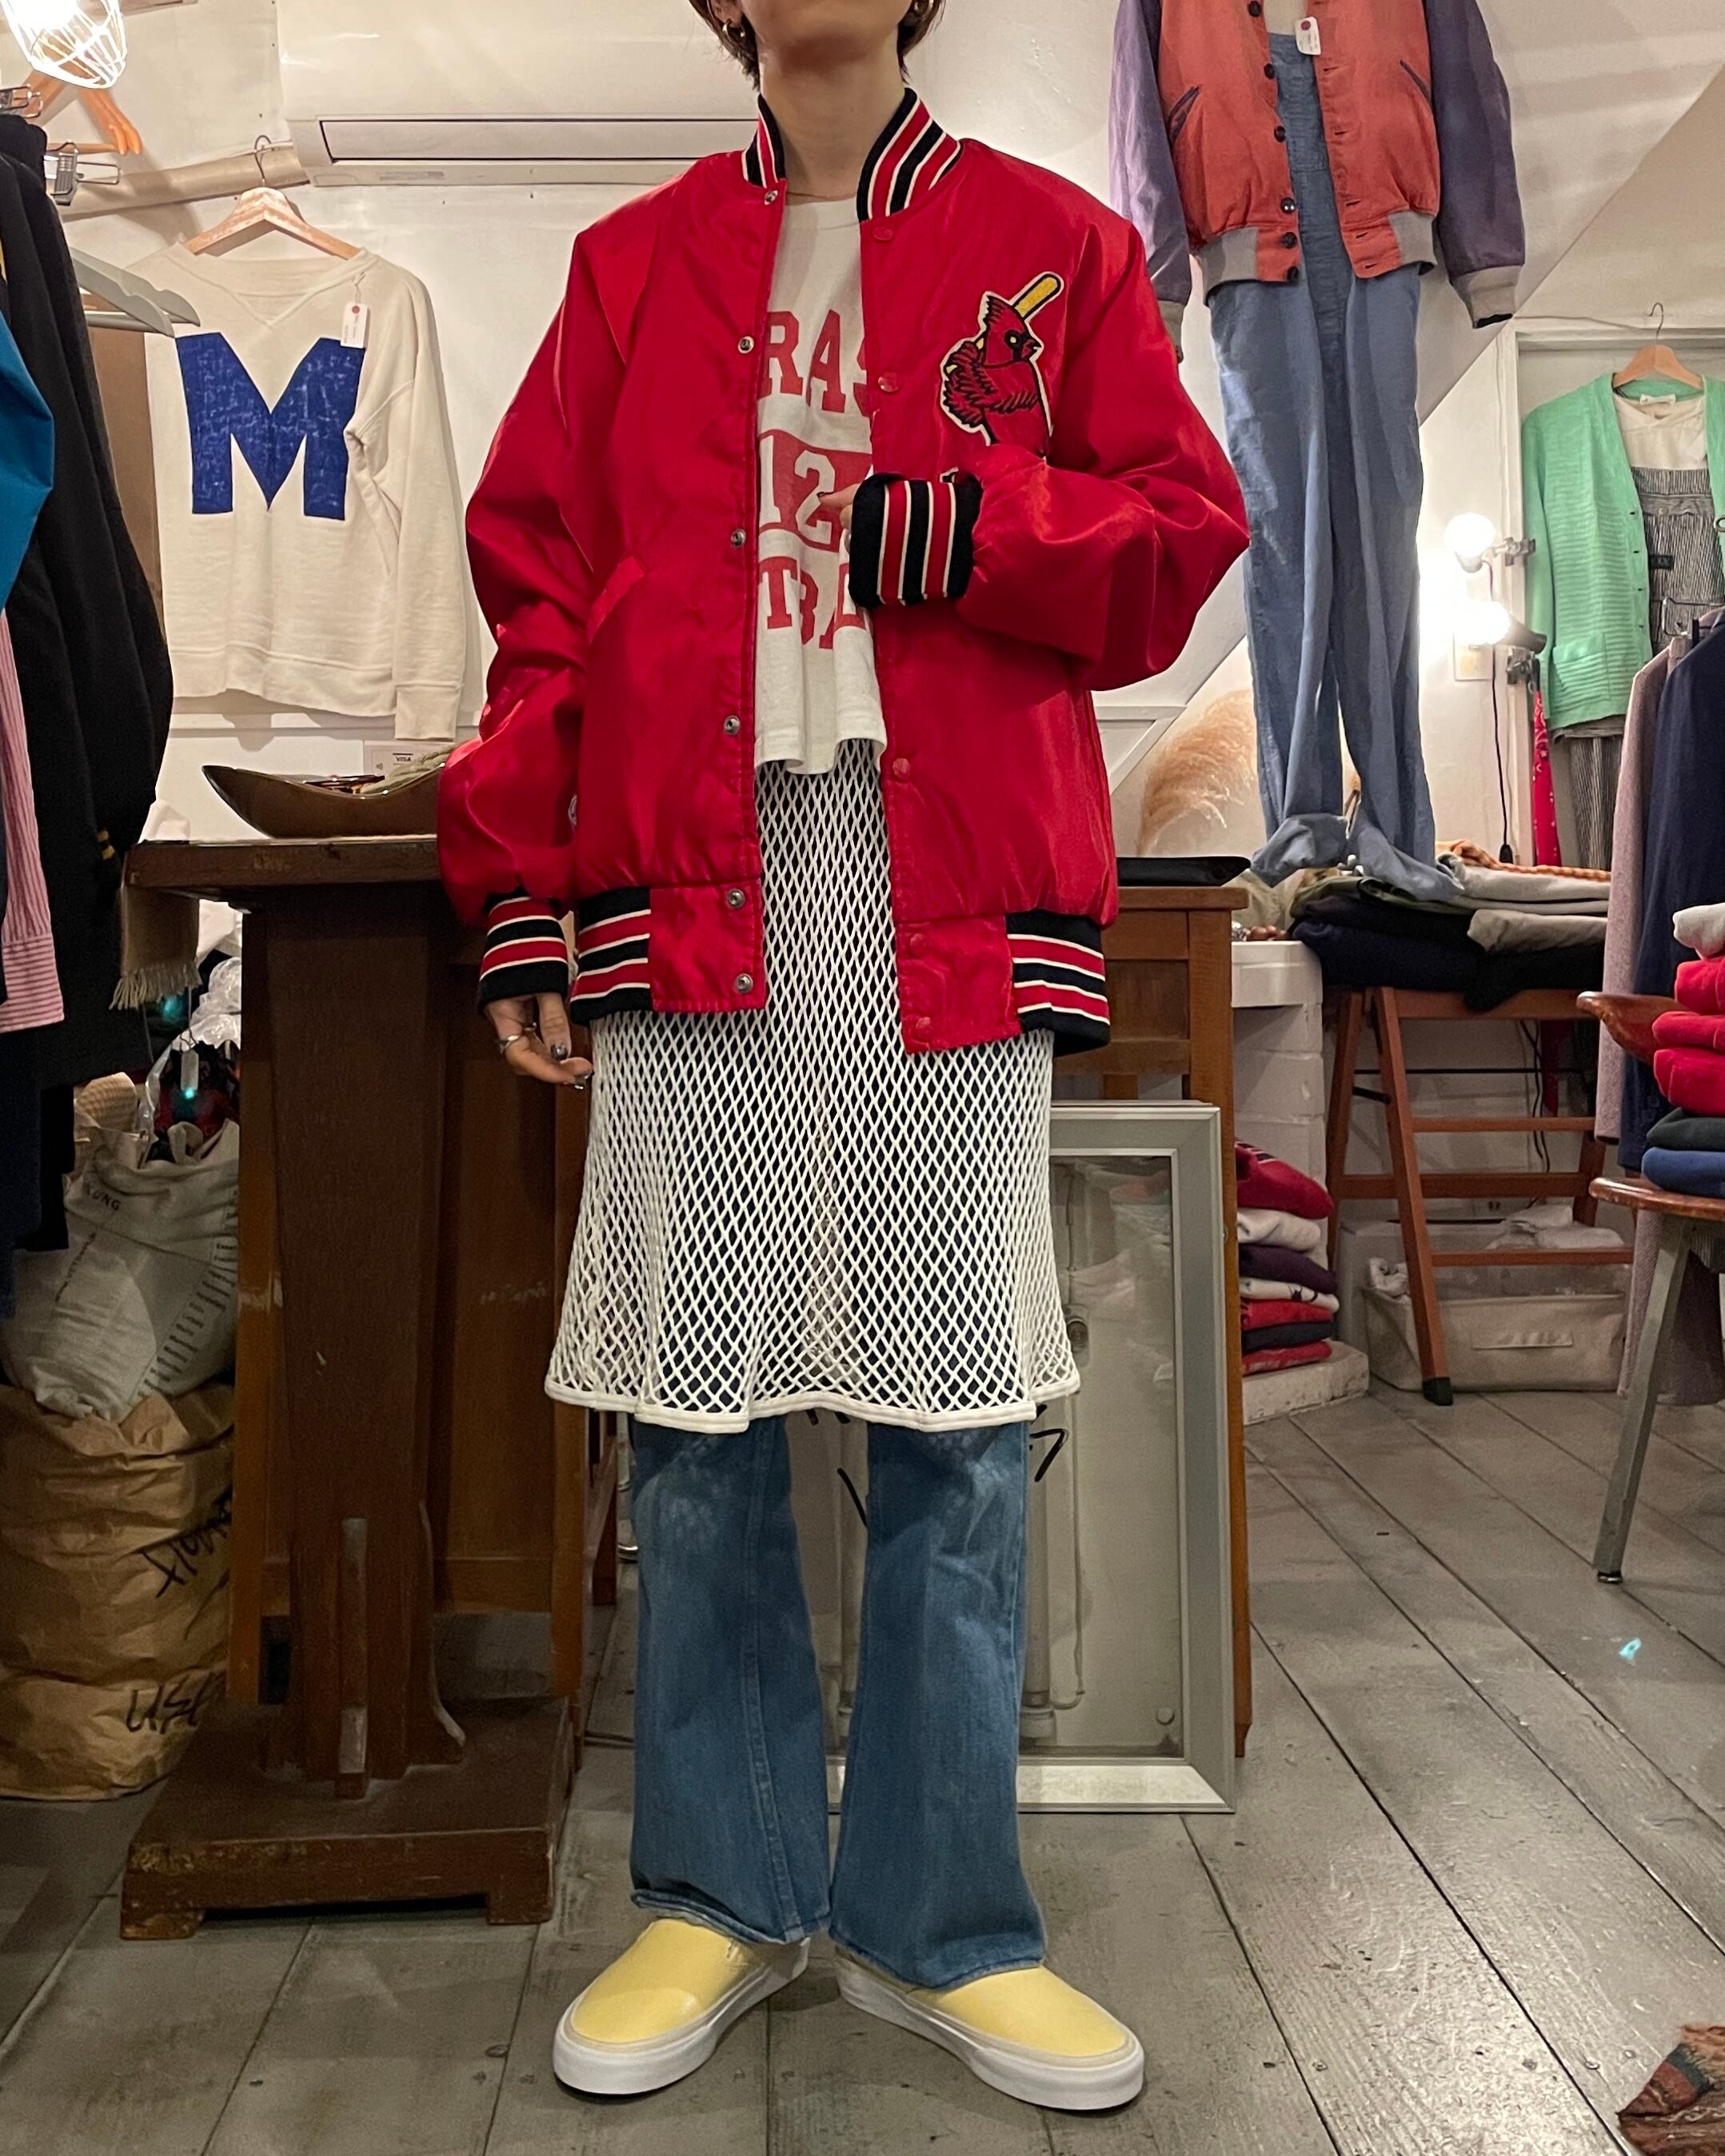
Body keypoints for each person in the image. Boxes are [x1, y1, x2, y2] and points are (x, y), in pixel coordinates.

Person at [437, 0, 1246, 2113]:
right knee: (694, 1419)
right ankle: (721, 1891)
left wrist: (972, 527)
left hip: (939, 877)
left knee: (954, 1420)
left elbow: (1181, 531)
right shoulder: (629, 270)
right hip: (693, 871)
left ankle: (941, 1920)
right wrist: (520, 882)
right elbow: (540, 588)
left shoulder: (1056, 247)